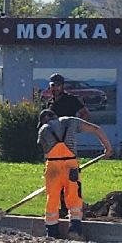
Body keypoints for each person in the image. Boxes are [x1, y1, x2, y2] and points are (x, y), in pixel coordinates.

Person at [37, 108, 112, 239]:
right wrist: (108, 148)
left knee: (52, 198)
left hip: (53, 166)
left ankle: (52, 232)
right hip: (71, 166)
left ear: (44, 119)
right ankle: (75, 229)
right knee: (74, 197)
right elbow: (96, 129)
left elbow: (43, 151)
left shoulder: (43, 129)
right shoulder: (70, 122)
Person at [45, 73, 90, 217]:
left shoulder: (71, 100)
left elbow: (85, 114)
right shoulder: (49, 103)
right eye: (53, 85)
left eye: (58, 85)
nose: (55, 88)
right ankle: (62, 208)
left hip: (67, 144)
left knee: (71, 176)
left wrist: (74, 128)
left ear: (62, 86)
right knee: (57, 176)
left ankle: (76, 207)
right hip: (54, 144)